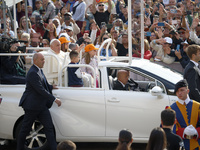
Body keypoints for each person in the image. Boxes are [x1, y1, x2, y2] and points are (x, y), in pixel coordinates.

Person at [17, 53, 61, 150]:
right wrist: (54, 99)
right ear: (35, 60)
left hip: (41, 106)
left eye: (44, 59)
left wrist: (50, 86)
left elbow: (42, 84)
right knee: (25, 129)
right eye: (42, 59)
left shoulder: (39, 70)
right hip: (32, 106)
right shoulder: (33, 72)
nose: (44, 61)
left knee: (49, 127)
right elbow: (40, 89)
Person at [167, 79, 200, 150]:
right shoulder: (171, 109)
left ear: (188, 91)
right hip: (180, 145)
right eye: (177, 91)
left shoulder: (198, 106)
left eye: (182, 90)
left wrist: (197, 131)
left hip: (197, 145)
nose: (179, 93)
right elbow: (168, 129)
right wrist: (183, 131)